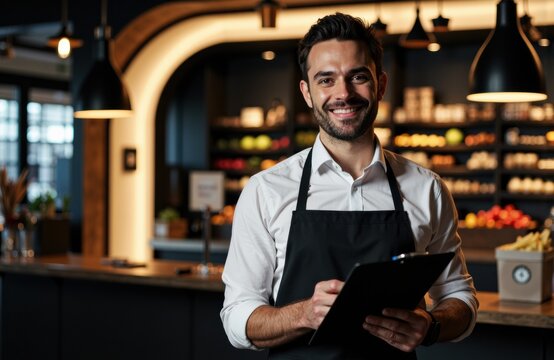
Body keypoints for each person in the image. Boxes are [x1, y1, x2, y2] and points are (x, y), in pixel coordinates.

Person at [221, 12, 478, 359]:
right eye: (326, 80)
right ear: (307, 93)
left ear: (380, 85)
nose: (343, 93)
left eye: (357, 76)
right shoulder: (266, 190)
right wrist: (303, 314)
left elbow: (460, 298)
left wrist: (431, 326)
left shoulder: (426, 189)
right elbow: (237, 318)